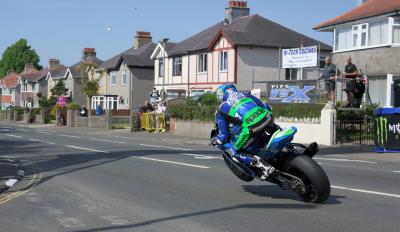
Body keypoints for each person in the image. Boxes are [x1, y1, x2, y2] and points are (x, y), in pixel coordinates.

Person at [212, 83, 284, 180]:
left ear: (221, 95)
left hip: (251, 128)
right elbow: (266, 106)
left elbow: (224, 135)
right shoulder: (245, 94)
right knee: (272, 130)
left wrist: (216, 140)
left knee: (234, 152)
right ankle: (289, 148)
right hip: (268, 118)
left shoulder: (221, 108)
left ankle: (262, 165)